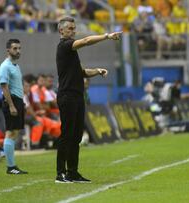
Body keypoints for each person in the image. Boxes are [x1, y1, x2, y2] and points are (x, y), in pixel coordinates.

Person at [55, 16, 121, 183]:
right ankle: (60, 173)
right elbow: (85, 41)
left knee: (76, 136)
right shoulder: (64, 46)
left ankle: (73, 172)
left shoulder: (71, 52)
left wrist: (98, 70)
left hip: (77, 96)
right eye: (69, 28)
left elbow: (82, 72)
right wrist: (106, 36)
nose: (73, 31)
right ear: (61, 30)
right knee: (67, 135)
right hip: (67, 96)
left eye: (73, 28)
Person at [0, 39, 28, 175]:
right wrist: (11, 105)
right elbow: (4, 87)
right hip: (11, 101)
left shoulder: (15, 66)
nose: (18, 51)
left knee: (14, 133)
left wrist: (22, 101)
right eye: (15, 48)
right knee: (10, 132)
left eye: (19, 48)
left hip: (17, 100)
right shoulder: (5, 66)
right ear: (8, 50)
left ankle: (12, 165)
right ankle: (11, 167)